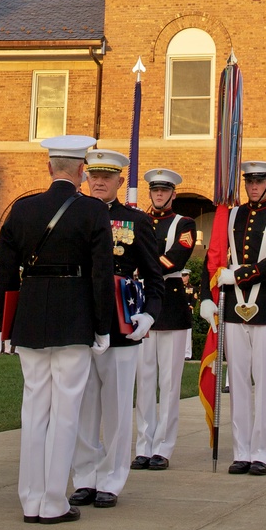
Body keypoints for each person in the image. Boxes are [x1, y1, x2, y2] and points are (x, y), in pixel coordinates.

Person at [0, 135, 115, 524]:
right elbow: (101, 275)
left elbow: (6, 276)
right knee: (66, 410)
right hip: (74, 314)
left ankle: (30, 498)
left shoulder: (23, 209)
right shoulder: (93, 212)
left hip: (30, 314)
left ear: (49, 168)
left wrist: (6, 321)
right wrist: (102, 327)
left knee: (34, 409)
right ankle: (53, 501)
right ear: (82, 171)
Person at [70, 148, 163, 509]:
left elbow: (155, 276)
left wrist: (150, 315)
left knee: (119, 406)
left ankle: (111, 479)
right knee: (83, 405)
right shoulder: (74, 214)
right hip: (80, 320)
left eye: (107, 177)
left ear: (120, 181)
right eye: (94, 176)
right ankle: (85, 477)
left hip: (120, 322)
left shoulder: (135, 221)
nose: (99, 182)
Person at [200, 160, 266, 476]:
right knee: (238, 381)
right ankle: (241, 450)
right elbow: (213, 257)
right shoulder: (233, 215)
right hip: (232, 309)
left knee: (264, 379)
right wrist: (205, 296)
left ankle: (262, 452)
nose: (254, 187)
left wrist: (239, 274)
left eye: (259, 182)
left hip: (265, 307)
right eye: (249, 182)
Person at [132, 168, 197, 471]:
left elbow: (177, 258)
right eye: (155, 191)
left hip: (170, 307)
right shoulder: (139, 222)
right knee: (144, 382)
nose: (159, 195)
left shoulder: (184, 224)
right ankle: (143, 445)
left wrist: (142, 266)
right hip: (142, 305)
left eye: (164, 191)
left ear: (173, 193)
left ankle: (163, 447)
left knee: (169, 383)